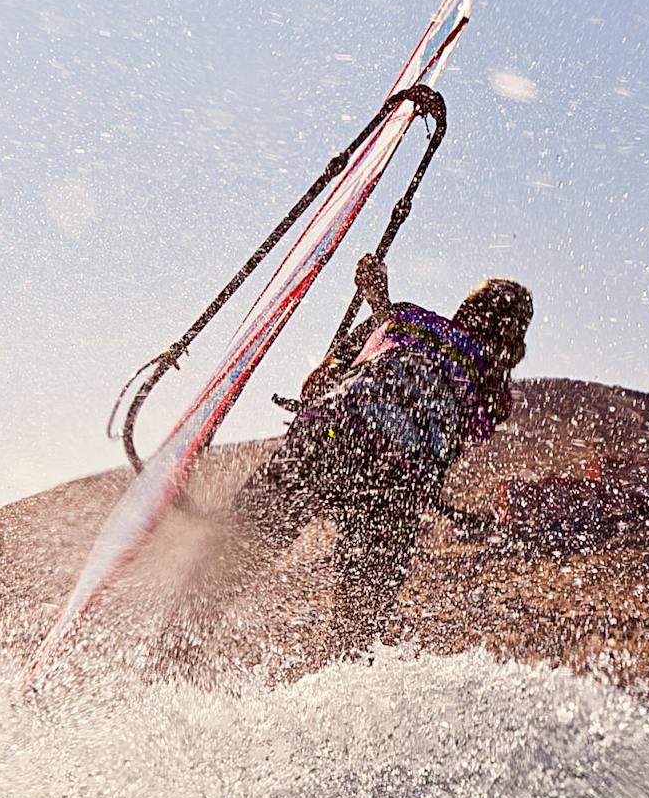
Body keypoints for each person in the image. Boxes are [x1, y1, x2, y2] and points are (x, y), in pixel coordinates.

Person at [168, 251, 534, 661]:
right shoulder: (494, 390)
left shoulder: (405, 318)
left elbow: (315, 385)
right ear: (514, 344)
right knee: (356, 633)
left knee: (234, 556)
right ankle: (340, 670)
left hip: (331, 437)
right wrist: (380, 306)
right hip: (396, 488)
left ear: (465, 309)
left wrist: (379, 304)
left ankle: (171, 656)